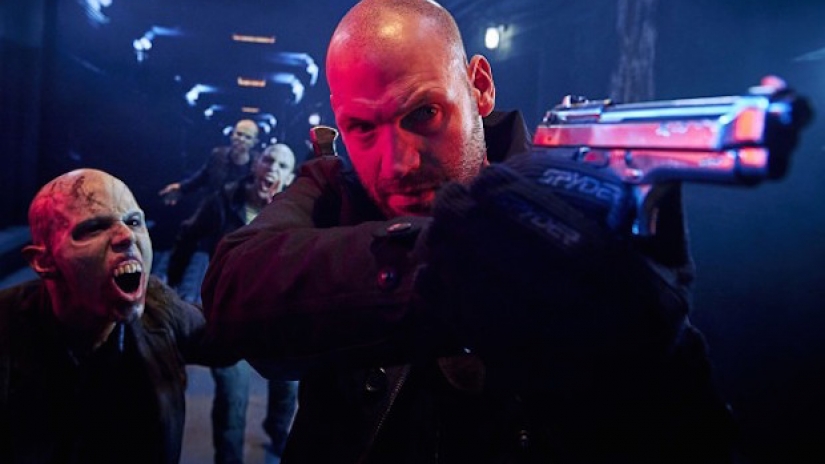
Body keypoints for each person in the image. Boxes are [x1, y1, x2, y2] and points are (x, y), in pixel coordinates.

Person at [201, 1, 736, 463]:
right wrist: (462, 260)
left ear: (479, 86)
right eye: (362, 128)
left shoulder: (569, 216)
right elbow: (234, 292)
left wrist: (656, 344)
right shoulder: (332, 186)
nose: (398, 162)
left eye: (424, 113)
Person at [0, 168, 229, 464]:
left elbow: (226, 338)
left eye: (133, 221)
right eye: (94, 228)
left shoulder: (157, 304)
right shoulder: (6, 328)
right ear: (44, 261)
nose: (127, 236)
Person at [167, 143, 299, 464]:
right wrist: (172, 287)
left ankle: (277, 433)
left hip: (277, 318)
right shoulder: (223, 201)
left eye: (282, 165)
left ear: (289, 177)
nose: (273, 168)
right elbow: (188, 235)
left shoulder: (296, 211)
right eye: (268, 160)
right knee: (232, 399)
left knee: (287, 388)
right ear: (255, 165)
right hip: (230, 317)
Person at [159, 119, 261, 206]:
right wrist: (181, 188)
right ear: (232, 135)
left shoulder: (258, 165)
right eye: (239, 134)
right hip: (212, 210)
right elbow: (202, 177)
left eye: (248, 137)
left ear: (254, 142)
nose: (241, 139)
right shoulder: (218, 156)